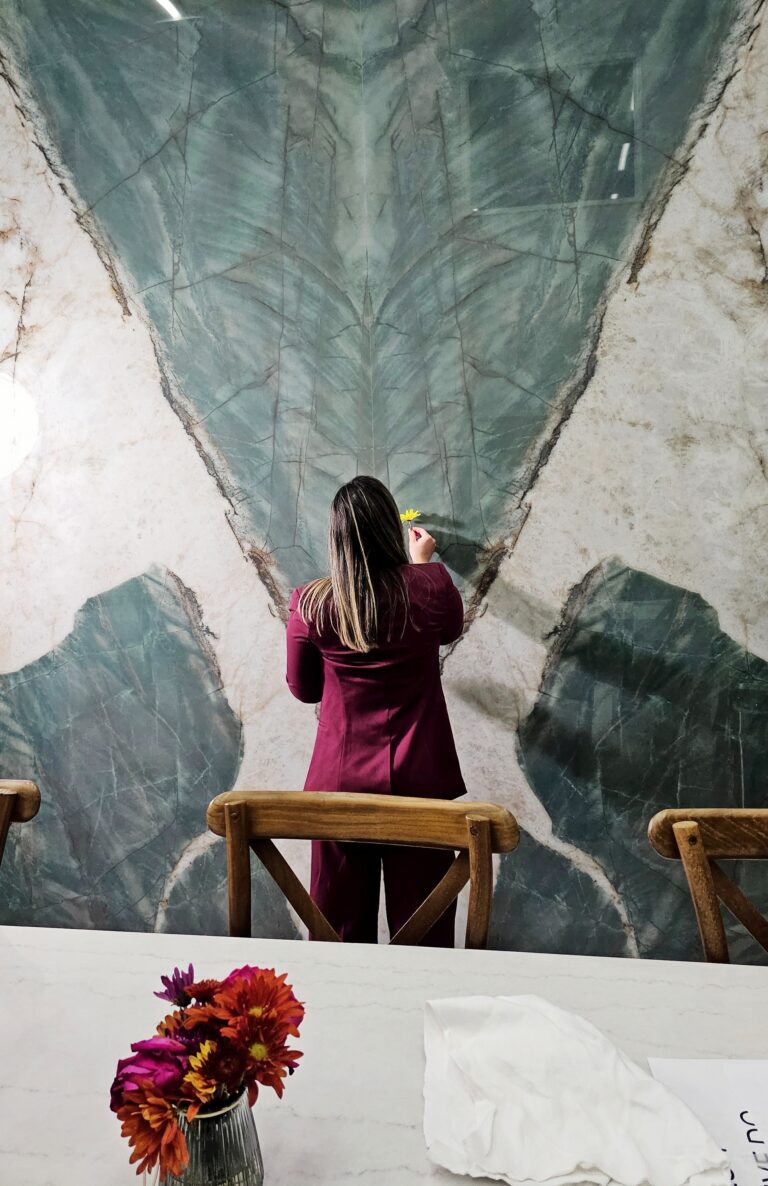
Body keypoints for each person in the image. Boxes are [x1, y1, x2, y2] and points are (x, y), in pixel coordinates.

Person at [285, 475, 467, 945]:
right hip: (420, 786)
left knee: (338, 937)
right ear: (390, 526)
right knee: (425, 940)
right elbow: (449, 629)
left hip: (338, 789)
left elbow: (304, 690)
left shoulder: (310, 603)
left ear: (336, 536)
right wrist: (421, 564)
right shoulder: (430, 585)